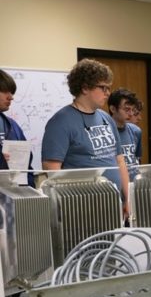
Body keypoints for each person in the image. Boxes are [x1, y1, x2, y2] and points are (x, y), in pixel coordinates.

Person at [42, 59, 130, 220]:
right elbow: (52, 169)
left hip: (113, 202)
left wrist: (128, 198)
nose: (108, 93)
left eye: (109, 88)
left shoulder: (106, 118)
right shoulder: (60, 122)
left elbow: (120, 161)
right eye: (103, 87)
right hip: (82, 208)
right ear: (84, 88)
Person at [0, 69, 34, 187]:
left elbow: (26, 166)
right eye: (4, 91)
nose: (11, 97)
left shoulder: (12, 126)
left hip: (13, 196)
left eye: (11, 92)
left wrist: (29, 191)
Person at [108, 88, 142, 181]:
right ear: (113, 109)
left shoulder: (136, 131)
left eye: (132, 110)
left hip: (133, 183)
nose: (131, 114)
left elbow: (137, 159)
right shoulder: (106, 132)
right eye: (127, 109)